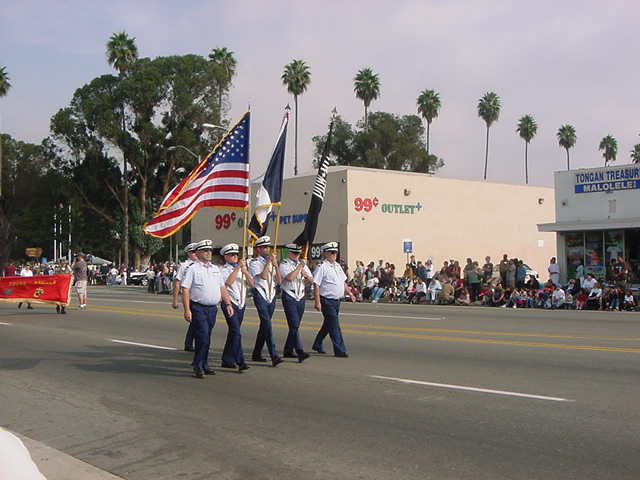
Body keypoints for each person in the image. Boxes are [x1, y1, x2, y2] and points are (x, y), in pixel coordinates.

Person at [181, 239, 233, 379]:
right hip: (198, 307)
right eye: (205, 250)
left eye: (210, 250)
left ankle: (203, 363)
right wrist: (187, 310)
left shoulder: (215, 269)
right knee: (203, 336)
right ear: (197, 253)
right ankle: (197, 365)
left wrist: (228, 303)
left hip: (212, 308)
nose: (209, 253)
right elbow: (185, 289)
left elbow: (222, 288)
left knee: (206, 337)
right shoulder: (192, 269)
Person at [312, 242, 355, 357]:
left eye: (335, 252)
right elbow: (316, 284)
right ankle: (340, 350)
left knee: (328, 324)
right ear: (325, 253)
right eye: (331, 252)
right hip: (326, 300)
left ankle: (317, 343)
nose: (334, 254)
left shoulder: (337, 266)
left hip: (336, 301)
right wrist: (317, 301)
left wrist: (350, 293)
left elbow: (343, 282)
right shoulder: (322, 267)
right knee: (335, 325)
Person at [249, 236, 283, 367]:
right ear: (258, 249)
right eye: (264, 247)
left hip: (271, 295)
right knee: (267, 324)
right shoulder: (255, 263)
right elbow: (262, 276)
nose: (267, 249)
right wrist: (269, 263)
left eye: (268, 247)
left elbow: (279, 280)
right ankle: (273, 355)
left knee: (264, 326)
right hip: (260, 294)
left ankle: (256, 353)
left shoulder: (272, 261)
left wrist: (276, 266)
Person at [220, 243, 253, 372]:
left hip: (241, 304)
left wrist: (244, 271)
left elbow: (252, 284)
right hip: (229, 303)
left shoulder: (242, 269)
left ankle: (227, 359)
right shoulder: (223, 269)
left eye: (235, 254)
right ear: (226, 257)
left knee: (234, 332)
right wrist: (238, 268)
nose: (234, 257)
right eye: (231, 255)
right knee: (236, 332)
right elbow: (227, 282)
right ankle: (240, 361)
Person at [279, 243, 314, 363]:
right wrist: (300, 267)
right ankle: (300, 351)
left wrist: (306, 276)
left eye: (298, 253)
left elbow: (312, 279)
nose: (296, 255)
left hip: (300, 295)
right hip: (290, 295)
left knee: (295, 325)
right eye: (294, 253)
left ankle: (288, 350)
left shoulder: (302, 264)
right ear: (289, 253)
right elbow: (289, 277)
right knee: (294, 324)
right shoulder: (285, 264)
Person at [172, 243, 198, 351]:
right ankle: (191, 343)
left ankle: (190, 343)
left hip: (199, 296)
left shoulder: (203, 265)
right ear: (188, 254)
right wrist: (175, 300)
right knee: (195, 320)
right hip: (189, 297)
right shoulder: (185, 266)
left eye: (196, 251)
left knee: (196, 321)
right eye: (192, 252)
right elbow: (177, 282)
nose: (195, 254)